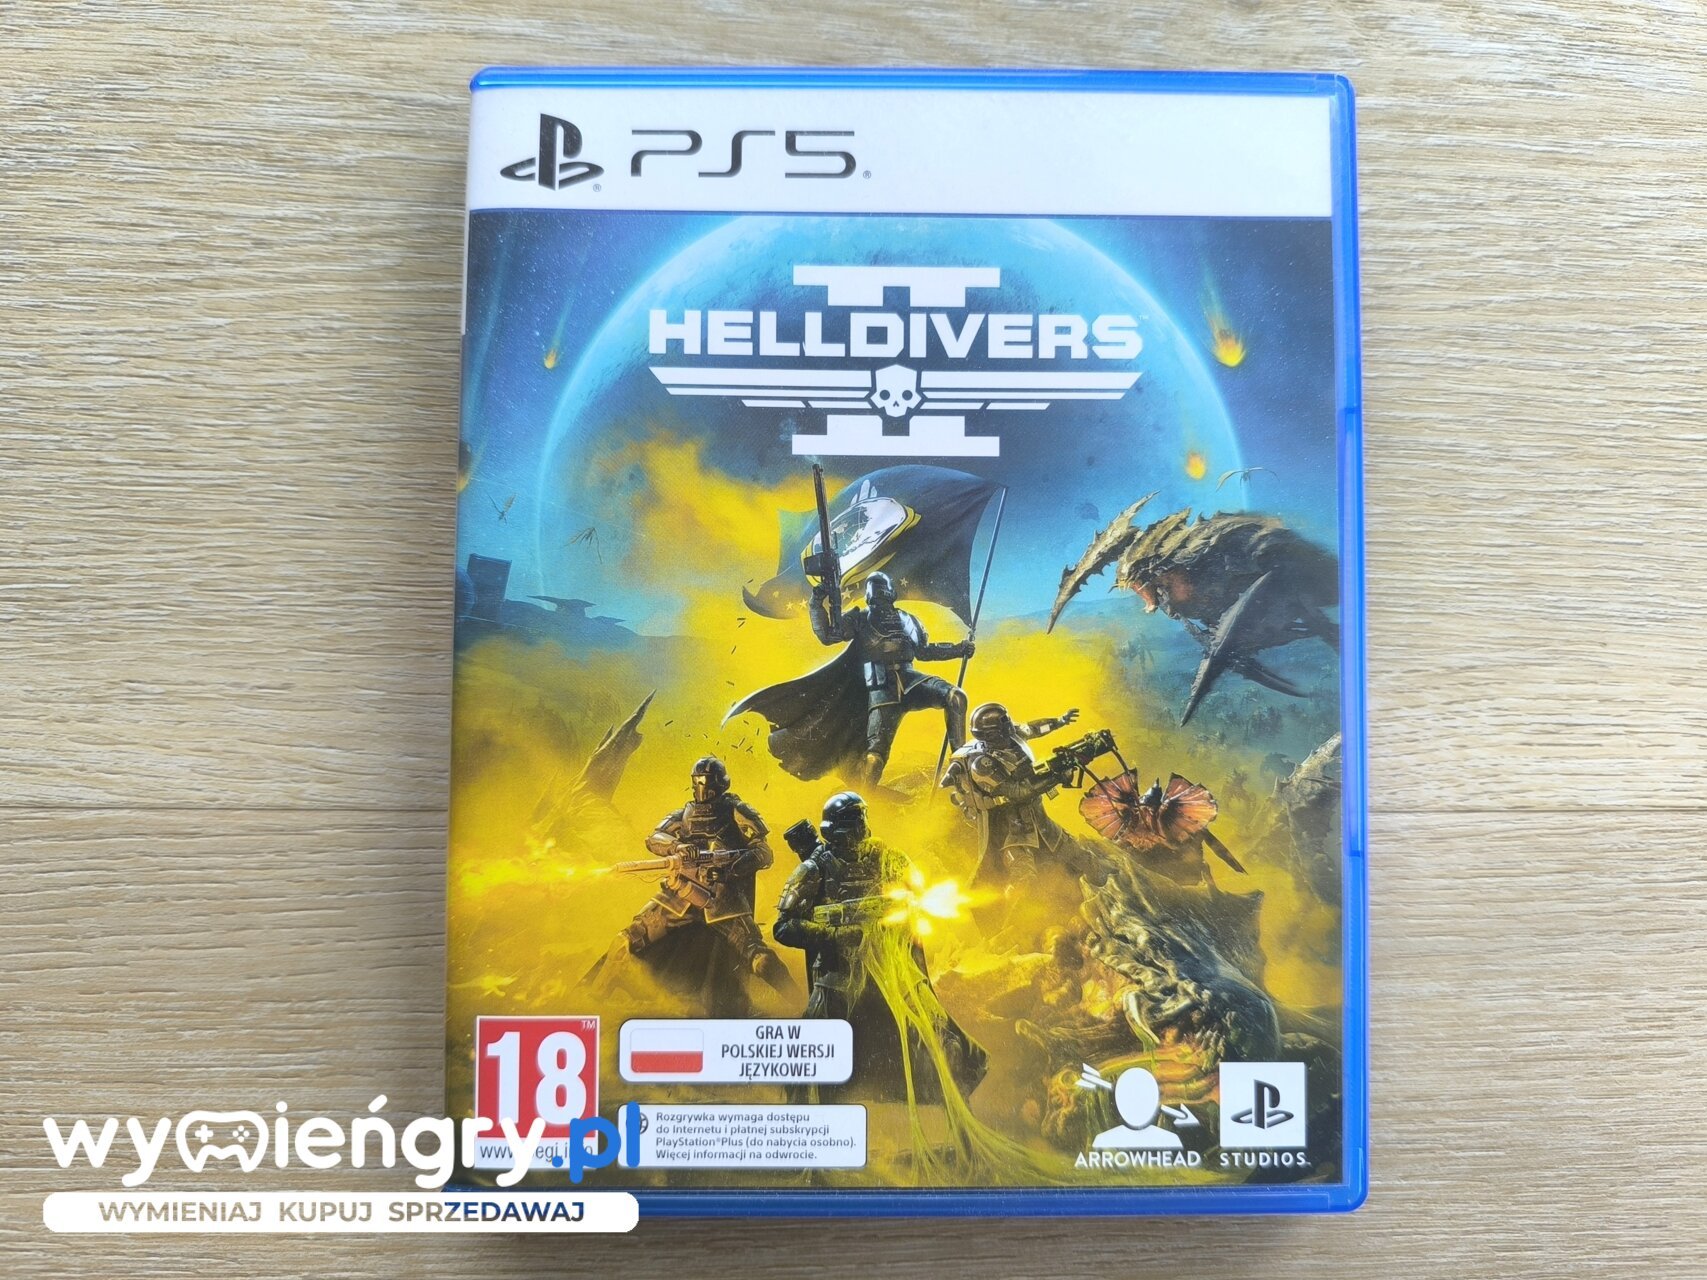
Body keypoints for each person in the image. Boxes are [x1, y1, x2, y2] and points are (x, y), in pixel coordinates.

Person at [773, 791, 985, 1102]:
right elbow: (784, 927)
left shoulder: (889, 859)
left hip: (891, 969)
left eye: (861, 820)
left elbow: (918, 898)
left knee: (937, 1035)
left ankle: (951, 1102)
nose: (859, 830)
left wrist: (900, 918)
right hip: (838, 976)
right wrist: (834, 935)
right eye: (853, 823)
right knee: (812, 1057)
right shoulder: (813, 869)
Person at [597, 757, 792, 1015]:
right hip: (682, 893)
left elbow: (763, 852)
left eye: (707, 782)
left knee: (758, 956)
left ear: (720, 784)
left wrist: (730, 868)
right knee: (626, 939)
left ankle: (798, 999)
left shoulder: (736, 810)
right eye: (698, 781)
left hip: (721, 898)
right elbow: (654, 838)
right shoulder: (685, 814)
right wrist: (677, 846)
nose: (702, 787)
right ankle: (591, 999)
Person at [939, 701, 1082, 887]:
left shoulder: (1011, 736)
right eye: (1004, 724)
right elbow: (1019, 792)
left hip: (1034, 815)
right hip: (1007, 824)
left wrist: (1060, 721)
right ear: (992, 733)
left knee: (1077, 855)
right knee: (1022, 875)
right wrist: (1056, 776)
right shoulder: (981, 764)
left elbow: (1033, 729)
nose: (1010, 727)